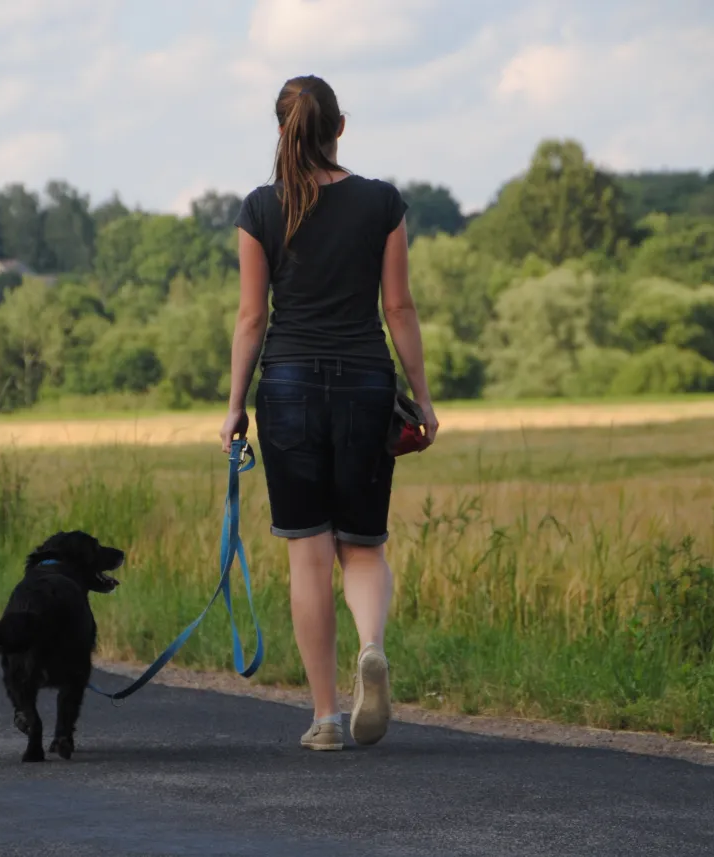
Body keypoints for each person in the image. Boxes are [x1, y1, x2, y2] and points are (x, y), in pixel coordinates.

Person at [219, 74, 439, 751]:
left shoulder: (260, 209)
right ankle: (370, 646)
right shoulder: (382, 203)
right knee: (363, 547)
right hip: (365, 386)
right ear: (340, 127)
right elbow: (397, 309)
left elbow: (253, 317)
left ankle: (324, 716)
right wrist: (422, 398)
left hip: (286, 388)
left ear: (282, 130)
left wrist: (233, 408)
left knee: (309, 556)